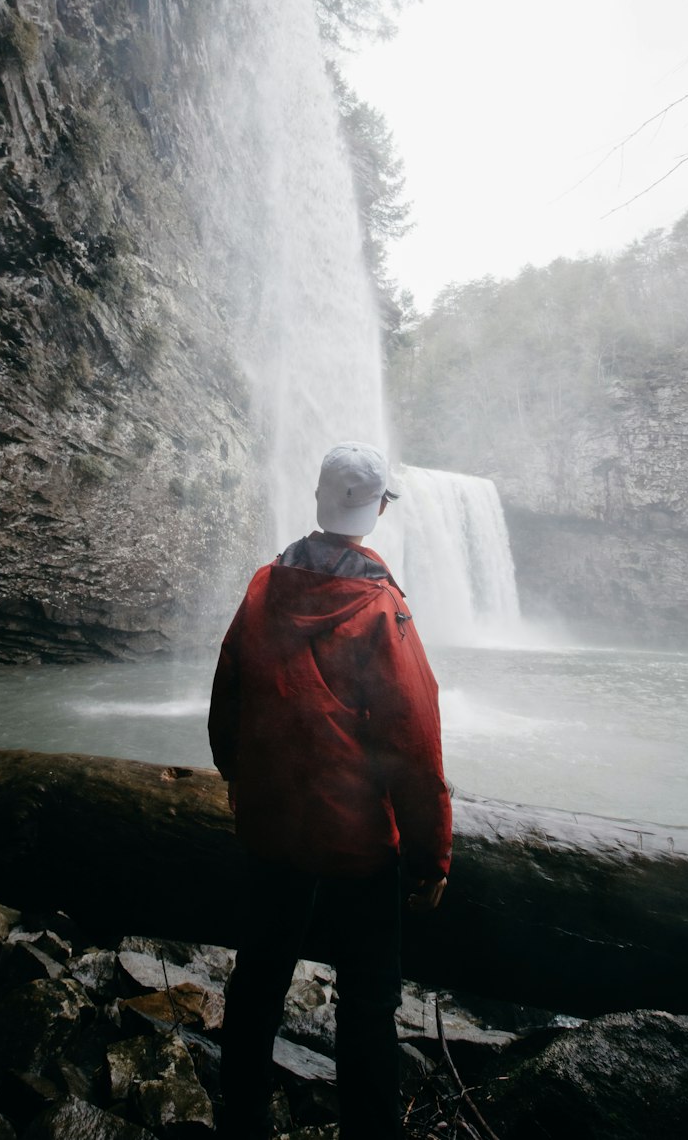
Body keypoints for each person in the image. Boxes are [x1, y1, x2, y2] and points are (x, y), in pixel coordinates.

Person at [208, 441, 452, 1140]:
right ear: (376, 510)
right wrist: (432, 857)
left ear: (318, 499)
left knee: (257, 980)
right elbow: (413, 743)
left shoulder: (263, 586)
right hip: (357, 845)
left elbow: (228, 698)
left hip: (270, 830)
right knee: (369, 1002)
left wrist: (241, 783)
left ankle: (244, 1120)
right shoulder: (380, 609)